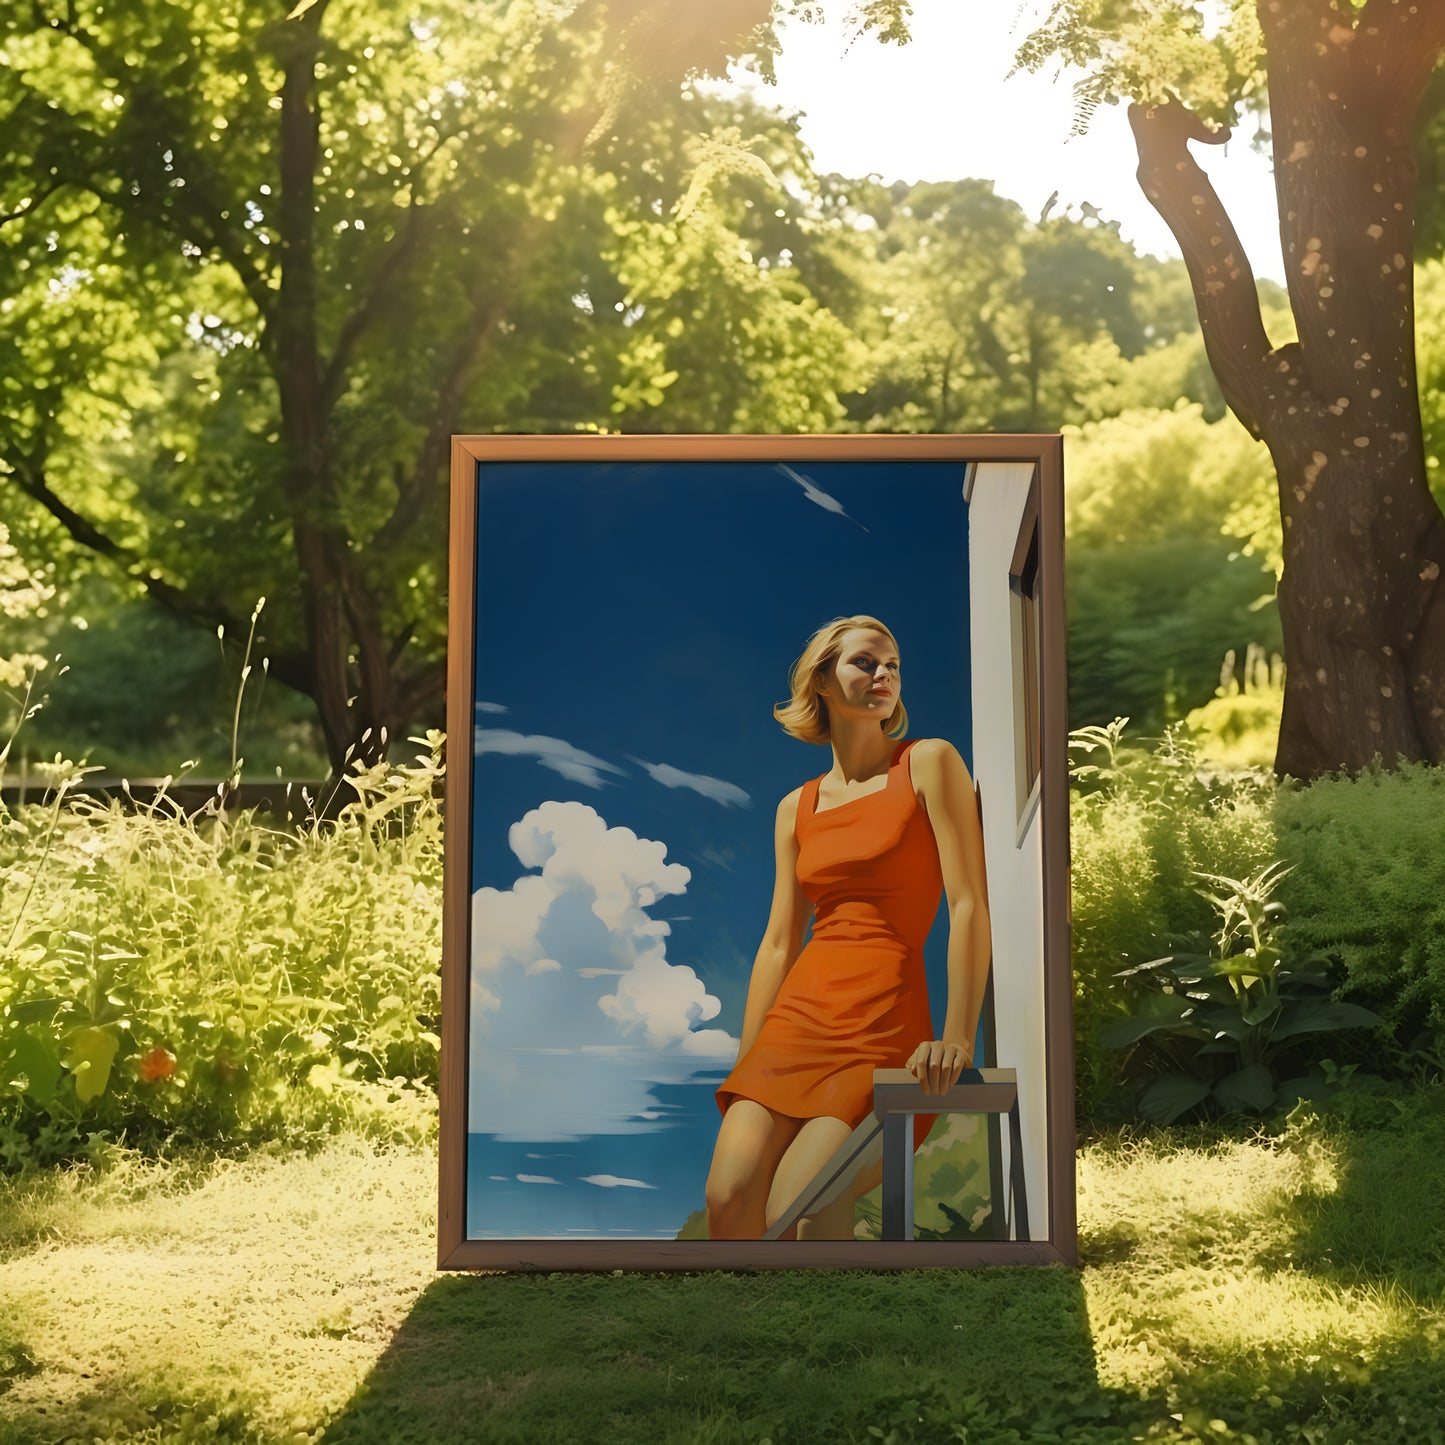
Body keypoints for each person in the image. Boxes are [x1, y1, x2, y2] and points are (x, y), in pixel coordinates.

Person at [705, 613, 992, 1242]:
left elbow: (969, 902)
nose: (884, 673)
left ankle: (816, 1336)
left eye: (892, 664)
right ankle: (735, 1339)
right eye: (865, 662)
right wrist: (747, 1061)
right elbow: (779, 942)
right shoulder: (795, 808)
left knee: (797, 1208)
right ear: (823, 683)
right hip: (794, 1027)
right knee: (727, 1200)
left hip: (878, 1025)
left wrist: (958, 1039)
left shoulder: (929, 763)